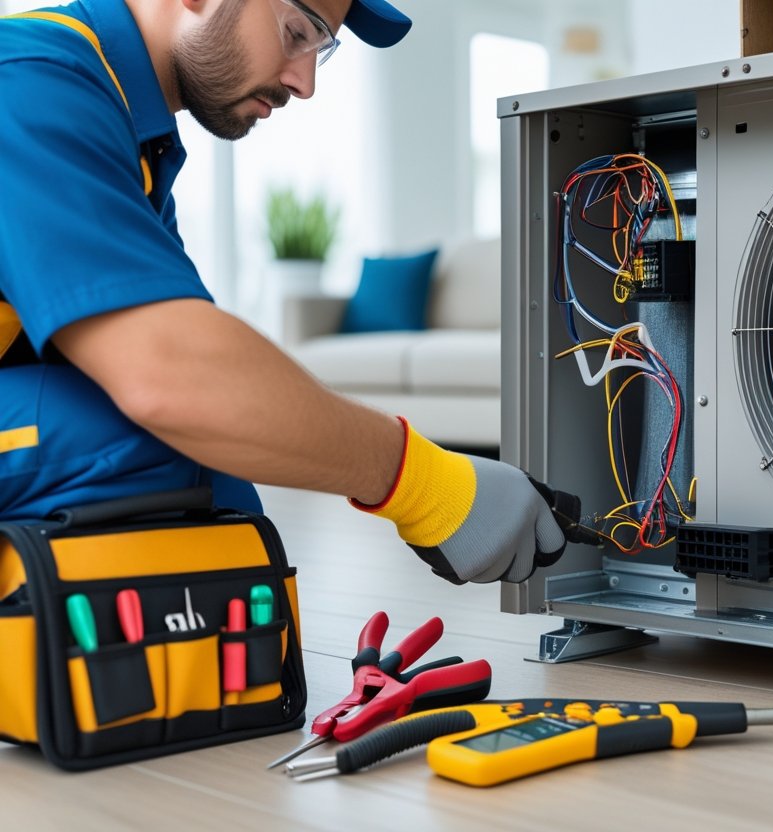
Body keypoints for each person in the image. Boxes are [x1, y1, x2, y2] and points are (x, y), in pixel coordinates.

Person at [0, 0, 567, 584]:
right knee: (148, 439)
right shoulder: (32, 77)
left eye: (321, 51)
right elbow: (175, 377)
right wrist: (425, 483)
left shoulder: (124, 126)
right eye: (297, 32)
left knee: (221, 483)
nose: (305, 82)